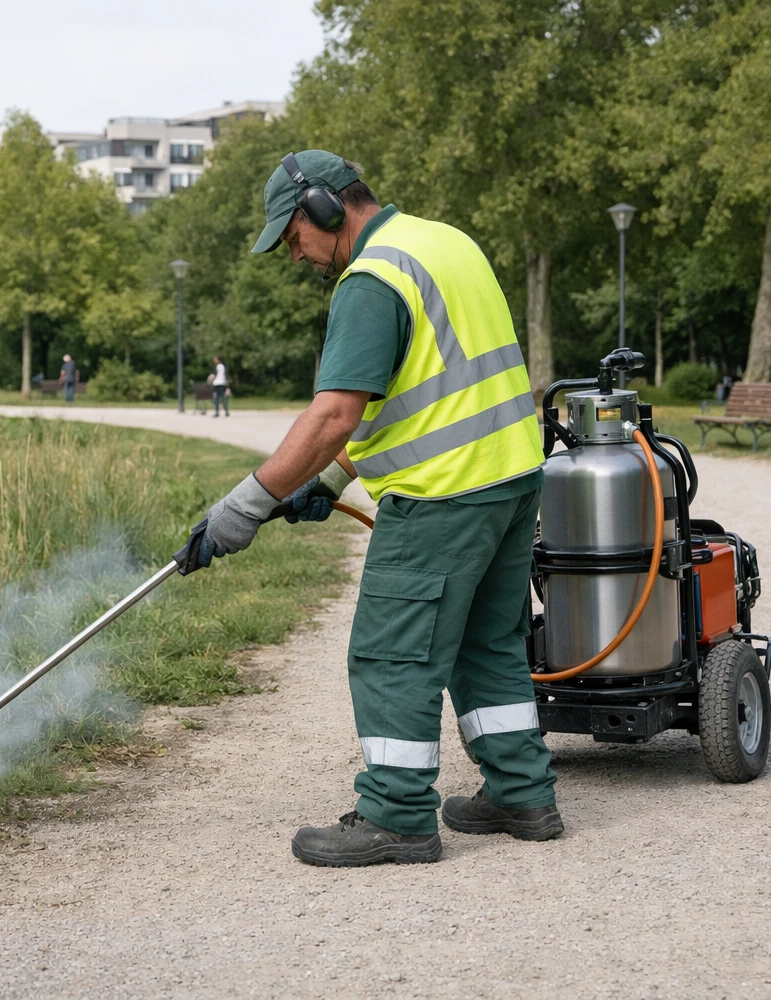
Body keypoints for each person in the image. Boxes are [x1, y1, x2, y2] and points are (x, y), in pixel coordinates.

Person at [179, 150, 560, 867]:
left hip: (441, 497)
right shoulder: (445, 242)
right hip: (511, 484)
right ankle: (522, 792)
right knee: (487, 644)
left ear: (324, 207)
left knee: (391, 653)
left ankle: (396, 815)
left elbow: (333, 415)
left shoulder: (371, 278)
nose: (297, 256)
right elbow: (427, 393)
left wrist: (247, 503)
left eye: (293, 237)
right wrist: (325, 482)